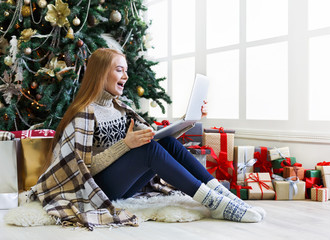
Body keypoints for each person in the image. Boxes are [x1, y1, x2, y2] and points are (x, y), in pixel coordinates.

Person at [31, 48, 265, 230]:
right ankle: (214, 203)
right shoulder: (84, 113)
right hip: (95, 189)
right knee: (147, 150)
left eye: (126, 70)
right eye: (119, 70)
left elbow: (158, 139)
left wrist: (188, 122)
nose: (126, 75)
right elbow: (82, 169)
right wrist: (126, 144)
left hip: (122, 184)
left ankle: (223, 195)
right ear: (101, 73)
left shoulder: (120, 108)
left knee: (165, 143)